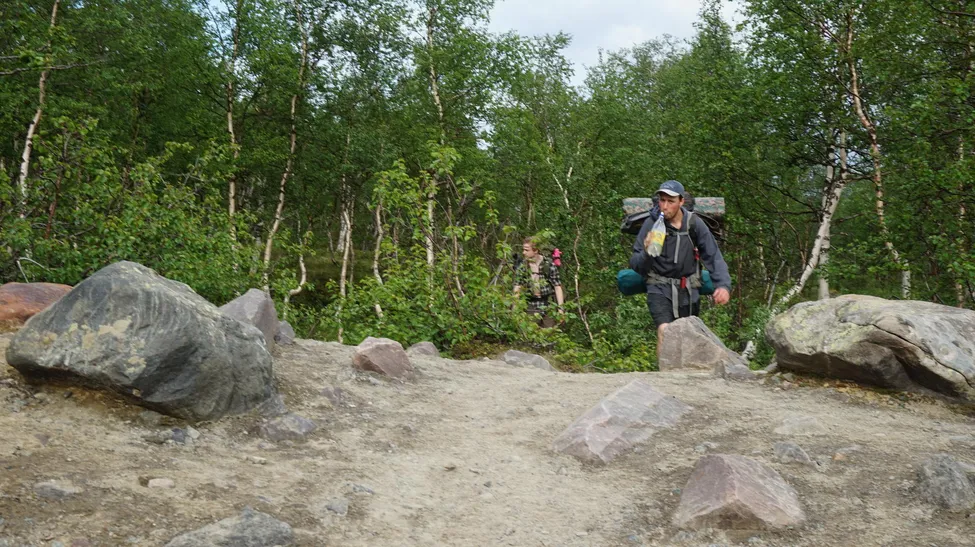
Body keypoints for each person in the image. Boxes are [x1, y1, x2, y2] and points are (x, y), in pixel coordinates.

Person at [629, 180, 731, 355]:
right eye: (662, 200)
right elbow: (636, 265)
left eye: (670, 201)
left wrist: (723, 285)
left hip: (689, 290)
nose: (665, 206)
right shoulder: (651, 224)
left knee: (688, 337)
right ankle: (665, 378)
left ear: (681, 201)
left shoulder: (694, 224)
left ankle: (683, 377)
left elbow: (713, 256)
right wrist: (646, 252)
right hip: (658, 286)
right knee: (665, 329)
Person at [513, 237, 565, 328]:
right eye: (523, 250)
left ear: (535, 250)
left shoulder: (548, 264)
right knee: (530, 334)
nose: (523, 252)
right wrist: (515, 308)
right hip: (530, 306)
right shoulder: (523, 267)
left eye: (526, 250)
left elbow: (557, 287)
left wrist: (561, 309)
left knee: (549, 334)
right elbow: (517, 287)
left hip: (548, 305)